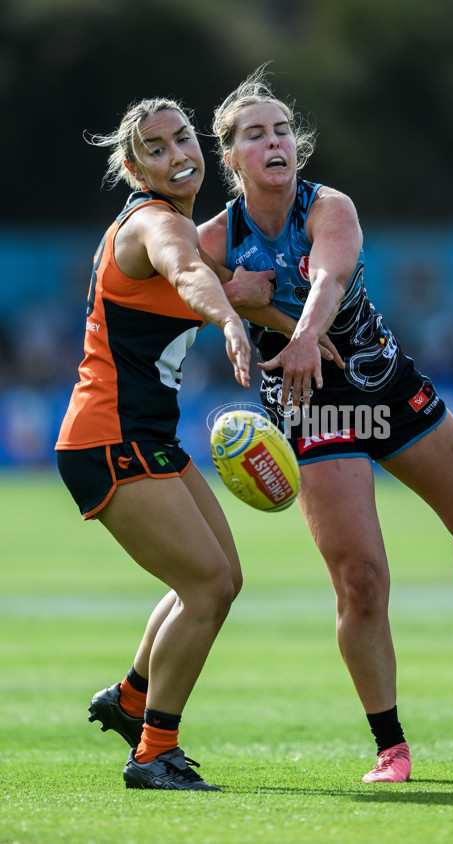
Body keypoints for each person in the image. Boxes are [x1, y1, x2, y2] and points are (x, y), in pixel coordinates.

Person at [196, 66, 453, 784]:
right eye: (256, 133)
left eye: (282, 128)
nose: (274, 139)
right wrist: (234, 305)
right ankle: (391, 746)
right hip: (315, 409)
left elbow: (329, 281)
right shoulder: (215, 239)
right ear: (233, 158)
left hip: (383, 383)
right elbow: (184, 289)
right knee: (363, 581)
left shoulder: (330, 206)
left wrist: (288, 322)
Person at [55, 97, 275, 791]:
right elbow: (186, 273)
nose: (179, 154)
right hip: (108, 438)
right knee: (204, 586)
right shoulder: (154, 223)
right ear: (132, 167)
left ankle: (128, 699)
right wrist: (231, 318)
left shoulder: (174, 222)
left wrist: (271, 316)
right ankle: (153, 753)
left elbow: (211, 280)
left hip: (144, 436)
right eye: (157, 147)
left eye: (184, 139)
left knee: (222, 582)